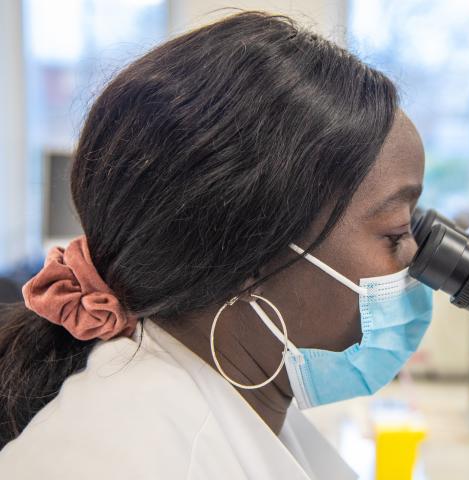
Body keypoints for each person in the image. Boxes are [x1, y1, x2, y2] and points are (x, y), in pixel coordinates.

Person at [0, 10, 433, 479]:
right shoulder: (133, 458)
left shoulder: (233, 403)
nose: (415, 259)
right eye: (394, 233)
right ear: (250, 250)